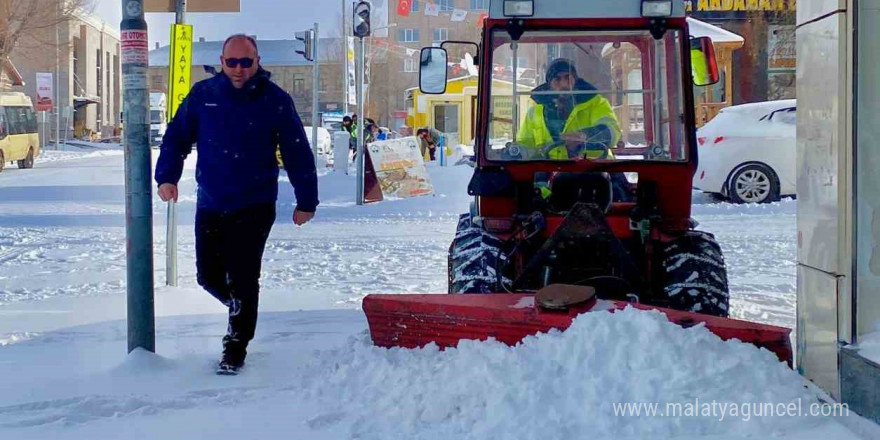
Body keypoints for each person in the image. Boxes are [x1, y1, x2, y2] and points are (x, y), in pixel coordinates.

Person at [155, 34, 319, 375]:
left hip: (255, 203)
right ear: (222, 61)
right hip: (212, 200)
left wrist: (306, 201)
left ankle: (236, 343)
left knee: (244, 275)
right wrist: (167, 176)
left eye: (247, 62)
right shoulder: (204, 95)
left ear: (257, 61)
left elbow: (297, 152)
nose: (239, 69)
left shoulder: (274, 100)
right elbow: (176, 137)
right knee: (207, 276)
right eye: (232, 62)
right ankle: (241, 307)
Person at [517, 59, 621, 160]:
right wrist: (516, 151)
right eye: (557, 79)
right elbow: (525, 144)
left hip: (594, 167)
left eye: (568, 78)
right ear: (549, 85)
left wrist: (586, 135)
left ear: (575, 80)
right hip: (549, 170)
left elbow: (612, 130)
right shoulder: (535, 112)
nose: (563, 84)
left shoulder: (595, 103)